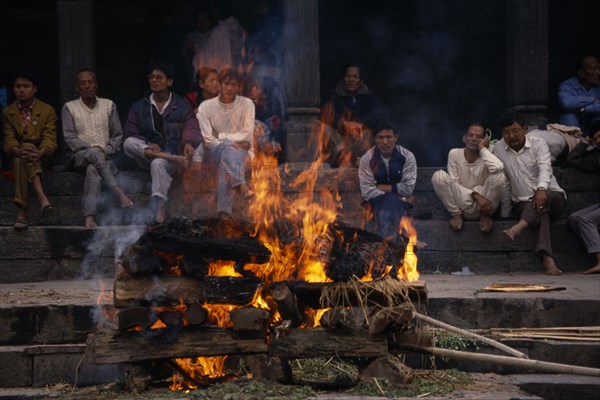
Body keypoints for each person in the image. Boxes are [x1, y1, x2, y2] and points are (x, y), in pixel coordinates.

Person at [123, 61, 202, 223]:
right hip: (147, 154)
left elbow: (191, 126)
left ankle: (159, 209)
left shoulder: (181, 105)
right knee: (128, 143)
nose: (154, 81)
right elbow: (130, 132)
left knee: (158, 163)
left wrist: (188, 143)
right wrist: (146, 143)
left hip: (172, 157)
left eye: (159, 77)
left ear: (169, 82)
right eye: (151, 77)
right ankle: (161, 155)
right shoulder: (140, 106)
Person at [492, 114, 567, 275]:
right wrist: (505, 212)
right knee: (541, 213)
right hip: (523, 203)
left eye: (515, 131)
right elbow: (502, 179)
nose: (511, 136)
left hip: (552, 196)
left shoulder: (538, 143)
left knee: (543, 199)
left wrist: (541, 189)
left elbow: (545, 167)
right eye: (506, 133)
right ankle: (547, 259)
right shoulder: (498, 148)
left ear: (525, 129)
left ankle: (519, 227)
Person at [62, 69, 134, 228]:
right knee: (93, 154)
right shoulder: (69, 108)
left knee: (92, 171)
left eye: (90, 82)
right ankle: (118, 191)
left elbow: (117, 136)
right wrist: (91, 148)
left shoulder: (109, 105)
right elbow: (70, 138)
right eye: (82, 83)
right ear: (77, 87)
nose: (87, 86)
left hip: (105, 158)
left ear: (96, 85)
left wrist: (105, 150)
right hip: (80, 157)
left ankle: (90, 217)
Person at [196, 68, 255, 219]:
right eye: (227, 84)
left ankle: (224, 214)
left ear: (238, 86)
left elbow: (247, 136)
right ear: (219, 85)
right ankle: (241, 186)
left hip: (242, 154)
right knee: (227, 149)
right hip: (213, 153)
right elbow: (208, 141)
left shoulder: (247, 105)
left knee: (226, 157)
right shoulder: (206, 107)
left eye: (234, 84)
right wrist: (233, 142)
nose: (230, 88)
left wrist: (221, 136)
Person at [2, 73, 57, 229]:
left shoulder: (47, 110)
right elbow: (9, 138)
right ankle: (42, 199)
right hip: (17, 156)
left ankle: (22, 212)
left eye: (26, 86)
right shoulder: (8, 112)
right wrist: (17, 150)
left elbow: (49, 138)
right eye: (18, 86)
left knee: (28, 149)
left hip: (42, 156)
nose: (21, 90)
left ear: (34, 89)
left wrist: (40, 152)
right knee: (21, 159)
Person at [432, 122, 506, 232]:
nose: (474, 139)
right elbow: (454, 183)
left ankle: (485, 216)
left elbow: (498, 168)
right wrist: (475, 195)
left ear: (484, 140)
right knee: (438, 176)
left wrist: (483, 150)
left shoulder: (488, 155)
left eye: (479, 137)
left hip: (484, 206)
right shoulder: (454, 153)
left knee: (499, 176)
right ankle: (456, 215)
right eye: (471, 135)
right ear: (464, 139)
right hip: (460, 203)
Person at [321, 63, 390, 167]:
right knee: (320, 127)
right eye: (348, 76)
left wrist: (360, 124)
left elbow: (381, 114)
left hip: (361, 138)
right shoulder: (334, 95)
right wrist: (344, 124)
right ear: (343, 79)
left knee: (369, 133)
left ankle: (360, 160)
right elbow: (326, 113)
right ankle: (341, 157)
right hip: (340, 139)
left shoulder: (369, 96)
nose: (351, 80)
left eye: (354, 77)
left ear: (361, 81)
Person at [358, 120, 417, 240]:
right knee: (390, 202)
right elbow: (367, 192)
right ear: (375, 139)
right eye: (381, 138)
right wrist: (400, 197)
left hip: (401, 205)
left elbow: (408, 188)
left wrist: (382, 188)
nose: (385, 142)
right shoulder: (367, 159)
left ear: (396, 138)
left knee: (392, 203)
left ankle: (387, 243)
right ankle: (408, 238)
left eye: (389, 137)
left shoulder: (407, 156)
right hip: (374, 205)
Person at [182, 6, 245, 91]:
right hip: (205, 86)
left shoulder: (221, 30)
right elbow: (188, 65)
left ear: (210, 20)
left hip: (225, 80)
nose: (202, 24)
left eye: (205, 20)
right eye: (199, 21)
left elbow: (236, 31)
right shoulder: (192, 39)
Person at [558, 55, 600, 136]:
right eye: (594, 69)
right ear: (581, 73)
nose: (598, 73)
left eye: (599, 69)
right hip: (573, 123)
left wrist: (584, 109)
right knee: (568, 116)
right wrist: (593, 99)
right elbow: (566, 103)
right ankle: (577, 143)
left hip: (592, 125)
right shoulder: (567, 85)